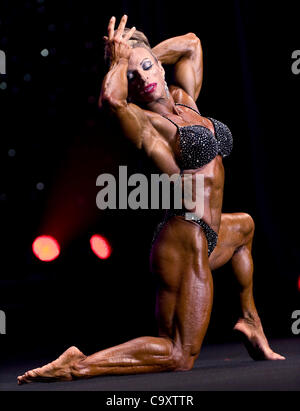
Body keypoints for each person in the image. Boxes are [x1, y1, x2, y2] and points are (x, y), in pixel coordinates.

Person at [17, 15, 284, 385]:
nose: (143, 79)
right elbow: (111, 99)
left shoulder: (184, 98)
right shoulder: (145, 123)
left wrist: (139, 54)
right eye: (133, 78)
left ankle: (250, 320)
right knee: (178, 354)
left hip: (209, 230)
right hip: (182, 237)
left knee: (245, 228)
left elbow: (191, 41)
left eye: (147, 69)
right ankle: (77, 363)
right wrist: (119, 62)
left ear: (160, 65)